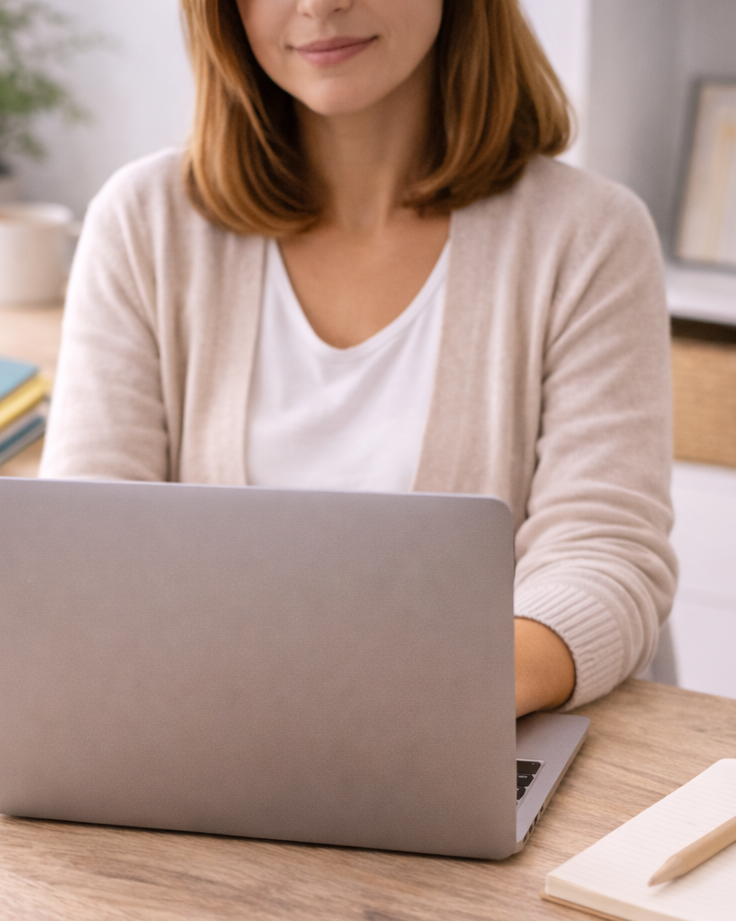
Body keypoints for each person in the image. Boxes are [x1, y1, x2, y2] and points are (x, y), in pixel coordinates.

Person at [40, 0, 678, 717]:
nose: (318, 5)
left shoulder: (589, 236)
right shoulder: (141, 223)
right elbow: (85, 554)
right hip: (210, 737)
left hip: (482, 736)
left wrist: (392, 704)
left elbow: (604, 557)